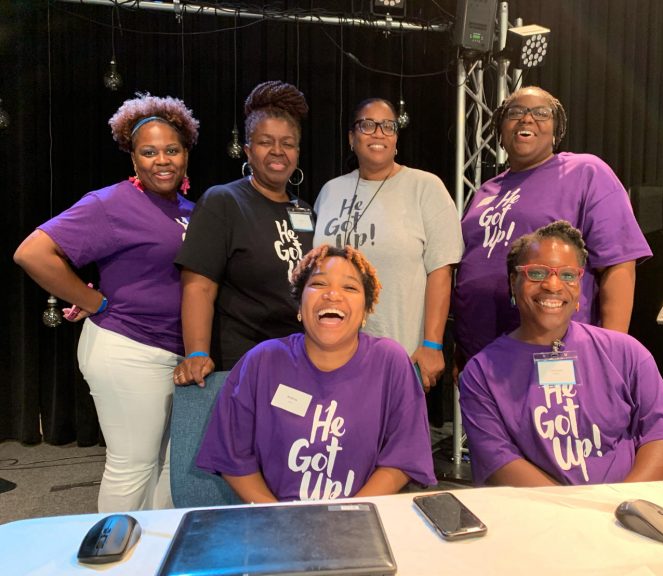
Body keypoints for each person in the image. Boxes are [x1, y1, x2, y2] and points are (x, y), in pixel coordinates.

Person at [13, 94, 200, 511]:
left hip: (177, 354)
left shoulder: (189, 209)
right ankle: (113, 560)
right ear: (133, 159)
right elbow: (32, 253)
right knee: (133, 464)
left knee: (171, 466)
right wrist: (94, 301)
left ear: (186, 152)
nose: (162, 160)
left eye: (171, 150)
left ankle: (152, 552)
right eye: (148, 152)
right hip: (128, 349)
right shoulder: (110, 202)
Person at [459, 221, 663, 487]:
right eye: (537, 273)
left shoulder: (626, 353)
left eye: (568, 275)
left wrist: (621, 505)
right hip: (540, 520)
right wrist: (579, 513)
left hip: (627, 516)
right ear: (514, 282)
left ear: (580, 286)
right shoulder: (481, 373)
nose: (552, 285)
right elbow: (499, 462)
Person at [196, 245, 437, 502]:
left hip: (360, 522)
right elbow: (233, 457)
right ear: (299, 304)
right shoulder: (262, 361)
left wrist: (348, 517)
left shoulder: (391, 362)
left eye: (350, 287)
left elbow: (403, 455)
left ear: (366, 311)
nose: (333, 294)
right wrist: (282, 519)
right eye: (319, 284)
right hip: (277, 524)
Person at [452, 86, 652, 365]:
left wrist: (611, 353)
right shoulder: (486, 191)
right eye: (515, 112)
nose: (526, 119)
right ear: (500, 128)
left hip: (555, 356)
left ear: (556, 131)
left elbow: (619, 263)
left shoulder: (585, 172)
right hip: (483, 358)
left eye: (540, 113)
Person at [313, 98, 463, 391]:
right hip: (331, 353)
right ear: (351, 139)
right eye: (367, 125)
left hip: (400, 355)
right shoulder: (331, 191)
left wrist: (432, 343)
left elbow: (441, 272)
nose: (378, 132)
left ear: (396, 139)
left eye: (388, 126)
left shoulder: (425, 187)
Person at [174, 81, 314, 388]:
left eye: (288, 144)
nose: (278, 152)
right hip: (242, 365)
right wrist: (196, 352)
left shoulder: (305, 210)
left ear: (298, 152)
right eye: (266, 142)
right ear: (249, 150)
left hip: (297, 363)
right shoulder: (223, 201)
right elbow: (198, 287)